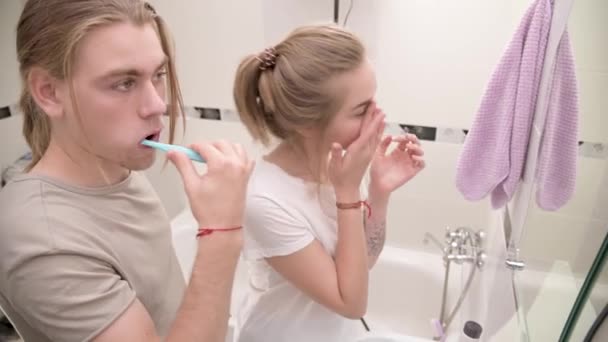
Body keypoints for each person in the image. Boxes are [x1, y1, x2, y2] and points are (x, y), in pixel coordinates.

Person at [0, 1, 253, 341]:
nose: (157, 105)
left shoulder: (116, 166)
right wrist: (222, 234)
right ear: (48, 92)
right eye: (123, 83)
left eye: (159, 75)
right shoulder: (42, 240)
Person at [232, 24, 426, 342]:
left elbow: (361, 265)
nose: (378, 117)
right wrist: (348, 191)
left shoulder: (337, 164)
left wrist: (379, 191)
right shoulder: (264, 200)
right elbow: (351, 303)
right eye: (362, 109)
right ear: (309, 124)